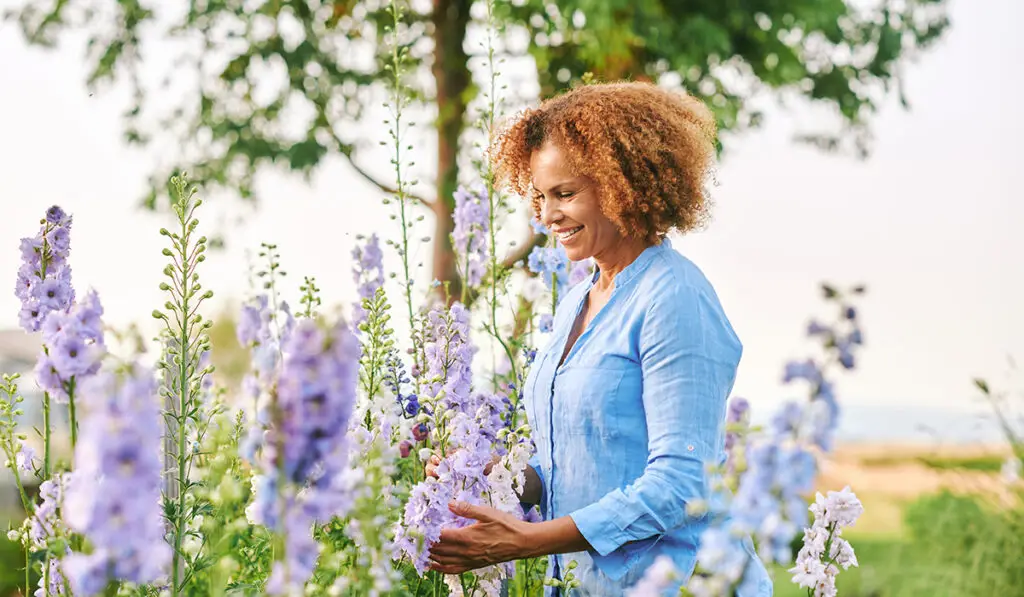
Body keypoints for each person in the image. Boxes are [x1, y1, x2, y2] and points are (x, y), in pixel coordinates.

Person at [425, 81, 773, 596]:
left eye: (565, 194)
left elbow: (681, 485)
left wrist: (526, 541)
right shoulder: (578, 301)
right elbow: (570, 463)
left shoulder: (674, 299)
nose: (547, 216)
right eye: (539, 197)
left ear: (623, 185)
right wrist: (492, 475)